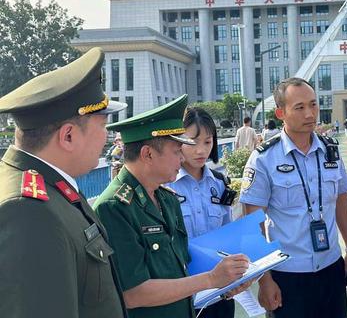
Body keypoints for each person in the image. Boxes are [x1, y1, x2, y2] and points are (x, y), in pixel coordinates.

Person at [94, 95, 251, 318]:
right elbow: (133, 293)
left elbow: (181, 266)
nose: (181, 159)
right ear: (147, 154)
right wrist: (211, 279)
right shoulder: (114, 207)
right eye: (177, 151)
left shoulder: (166, 198)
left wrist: (226, 282)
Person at [0, 47, 128, 318]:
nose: (107, 137)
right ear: (68, 136)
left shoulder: (50, 188)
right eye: (102, 126)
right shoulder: (29, 211)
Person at [240, 77, 347, 318]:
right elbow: (253, 223)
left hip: (331, 268)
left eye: (313, 105)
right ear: (280, 112)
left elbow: (341, 200)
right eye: (300, 107)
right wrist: (264, 280)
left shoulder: (330, 151)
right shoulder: (264, 159)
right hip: (287, 276)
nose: (310, 114)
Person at [169, 106, 236, 318]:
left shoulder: (220, 183)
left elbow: (228, 235)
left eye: (207, 142)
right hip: (181, 297)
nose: (201, 150)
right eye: (193, 141)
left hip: (220, 295)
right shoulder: (165, 186)